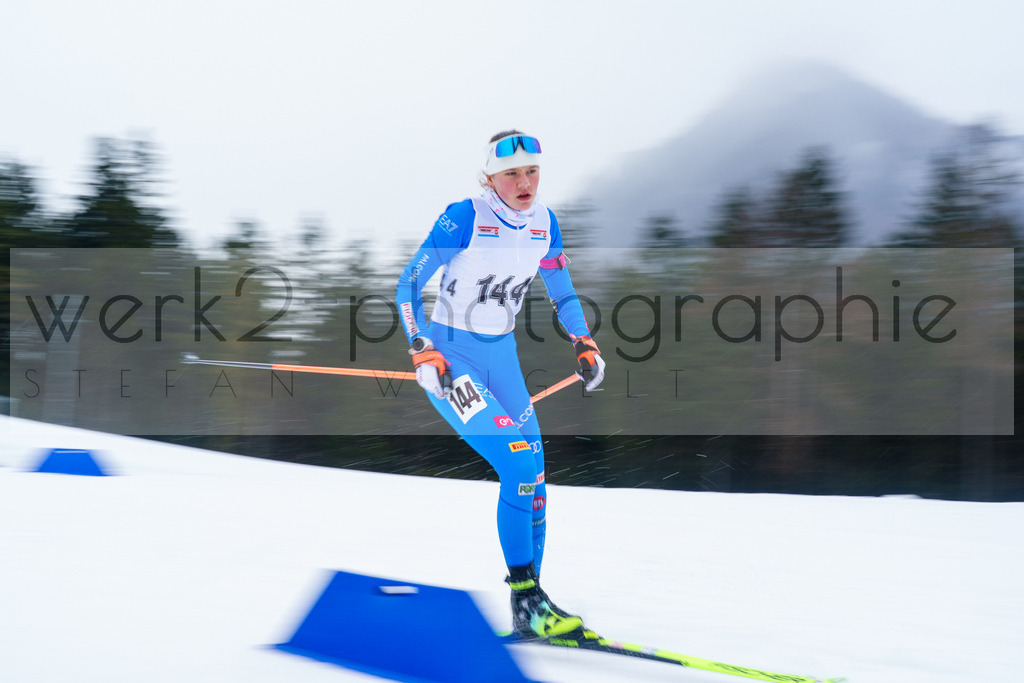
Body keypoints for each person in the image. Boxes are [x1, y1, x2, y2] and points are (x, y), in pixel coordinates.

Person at [395, 130, 605, 640]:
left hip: (502, 359)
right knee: (514, 462)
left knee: (533, 472)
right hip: (453, 364)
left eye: (532, 171)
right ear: (489, 176)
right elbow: (406, 285)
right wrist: (423, 347)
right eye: (512, 173)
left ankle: (531, 603)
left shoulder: (546, 225)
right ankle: (526, 599)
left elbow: (562, 290)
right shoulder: (464, 216)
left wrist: (584, 340)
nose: (524, 182)